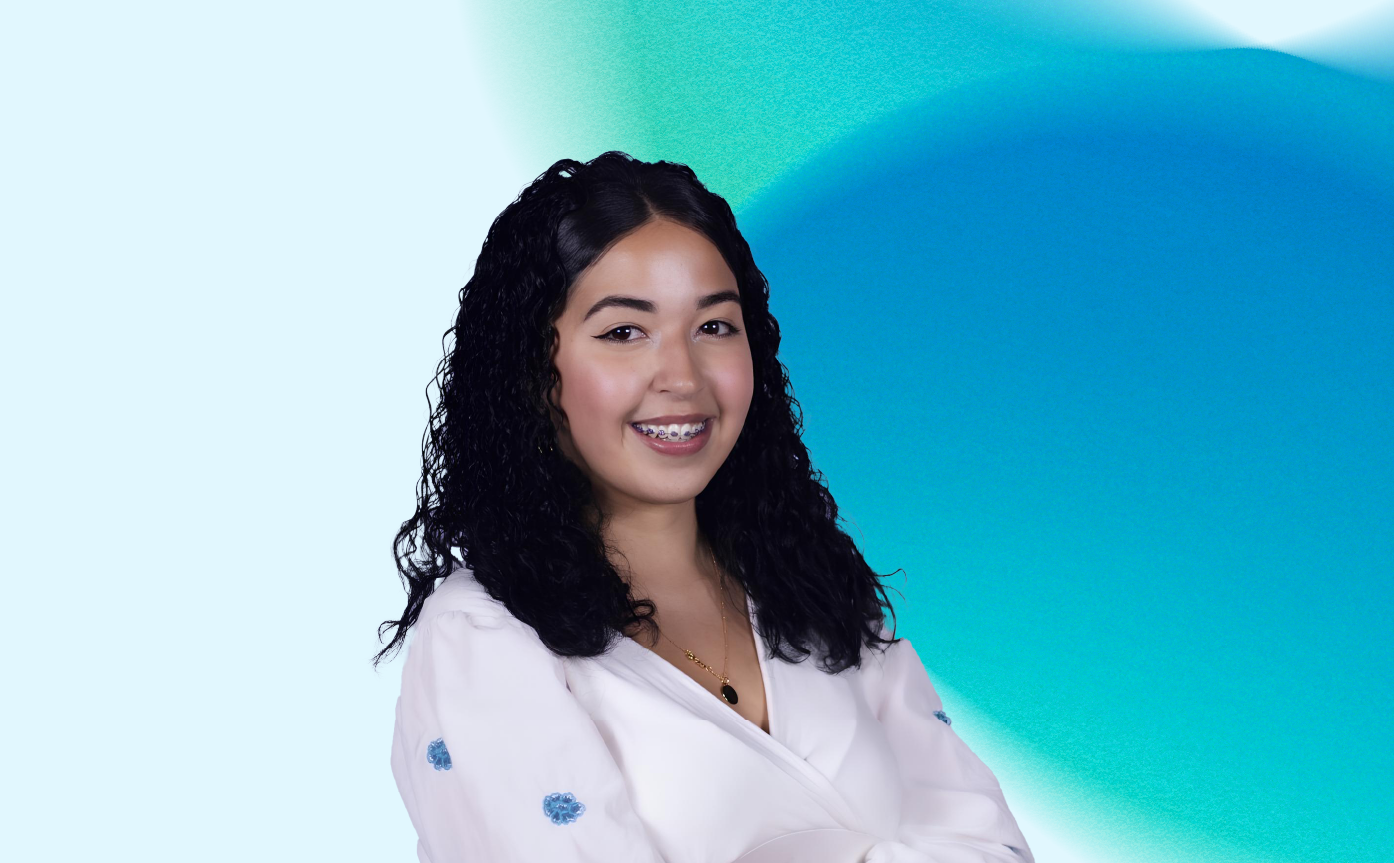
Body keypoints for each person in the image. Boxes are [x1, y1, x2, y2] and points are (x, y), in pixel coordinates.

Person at [376, 151, 1033, 863]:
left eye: (714, 327)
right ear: (535, 373)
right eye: (624, 332)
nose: (683, 376)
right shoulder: (482, 634)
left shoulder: (813, 592)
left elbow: (991, 843)